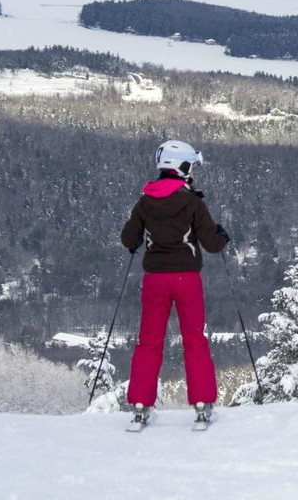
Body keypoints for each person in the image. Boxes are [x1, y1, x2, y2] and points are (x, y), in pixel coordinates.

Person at [121, 139, 229, 429]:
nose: (193, 171)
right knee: (194, 341)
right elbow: (211, 243)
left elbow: (129, 240)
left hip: (154, 280)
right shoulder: (193, 202)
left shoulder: (144, 201)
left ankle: (141, 405)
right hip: (187, 280)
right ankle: (202, 406)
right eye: (191, 165)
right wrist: (222, 235)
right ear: (181, 166)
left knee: (149, 343)